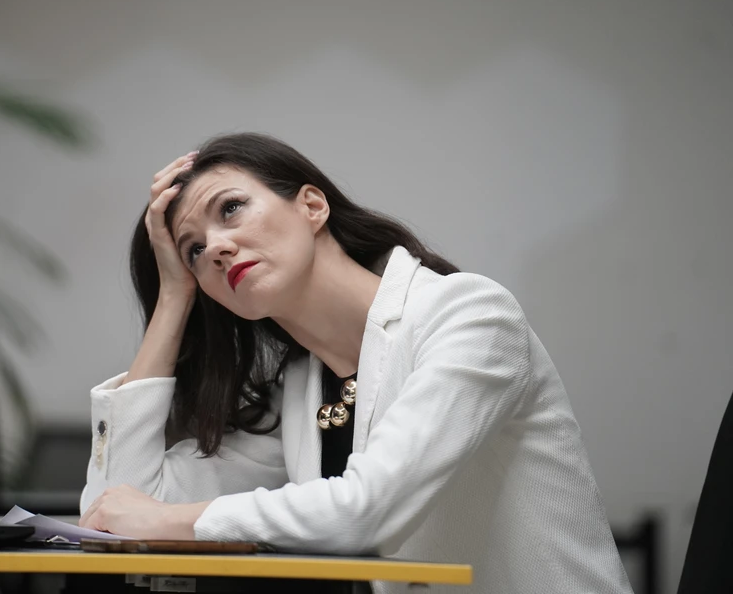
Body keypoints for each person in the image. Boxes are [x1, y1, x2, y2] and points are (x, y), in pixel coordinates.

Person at [79, 133, 632, 594]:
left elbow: (369, 509)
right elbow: (115, 512)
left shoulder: (469, 315)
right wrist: (174, 297)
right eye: (194, 250)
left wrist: (169, 522)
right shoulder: (303, 388)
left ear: (312, 206)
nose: (217, 248)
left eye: (231, 209)